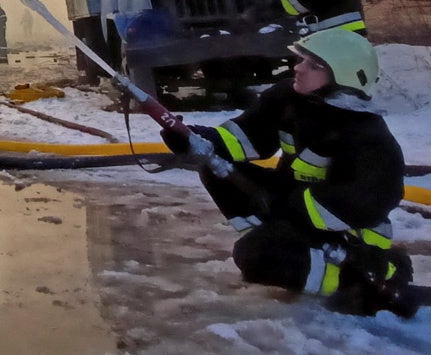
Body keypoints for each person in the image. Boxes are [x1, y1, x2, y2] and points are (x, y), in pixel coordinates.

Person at [163, 27, 414, 317]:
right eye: (303, 59)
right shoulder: (288, 99)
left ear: (342, 75)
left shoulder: (367, 136)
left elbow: (365, 203)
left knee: (255, 257)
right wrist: (193, 138)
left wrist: (293, 209)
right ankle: (284, 248)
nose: (299, 67)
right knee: (216, 168)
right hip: (296, 207)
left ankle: (356, 279)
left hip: (350, 234)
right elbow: (245, 136)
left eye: (313, 65)